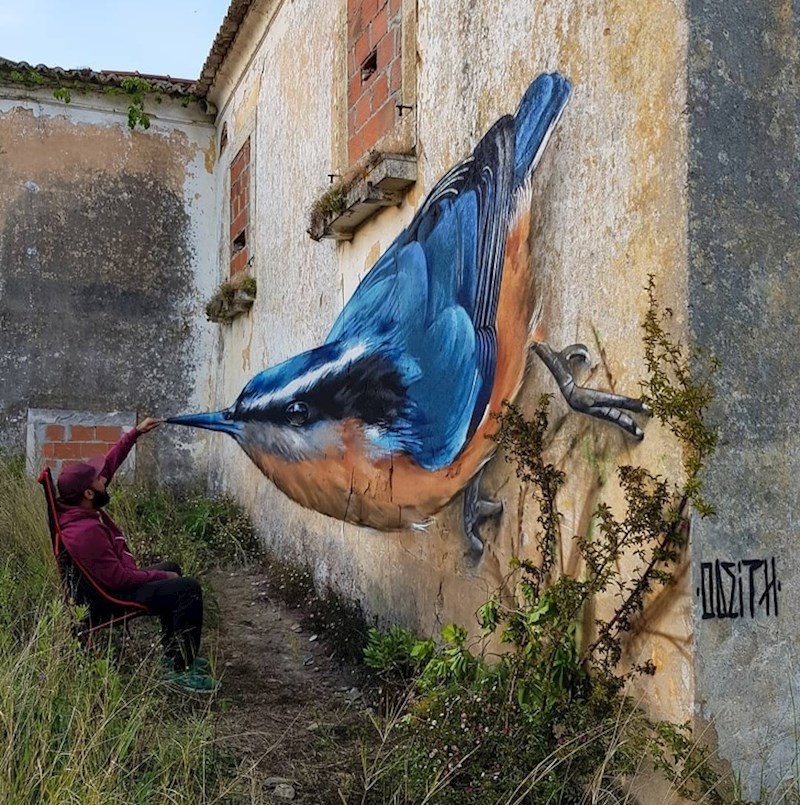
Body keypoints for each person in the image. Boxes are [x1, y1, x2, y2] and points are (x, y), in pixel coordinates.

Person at [56, 417, 218, 693]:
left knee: (173, 569)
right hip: (110, 598)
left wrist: (135, 433)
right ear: (88, 493)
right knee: (186, 589)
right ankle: (181, 669)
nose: (104, 478)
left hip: (113, 584)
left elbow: (108, 466)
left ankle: (173, 653)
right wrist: (157, 576)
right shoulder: (84, 532)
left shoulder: (79, 506)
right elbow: (117, 580)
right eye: (98, 479)